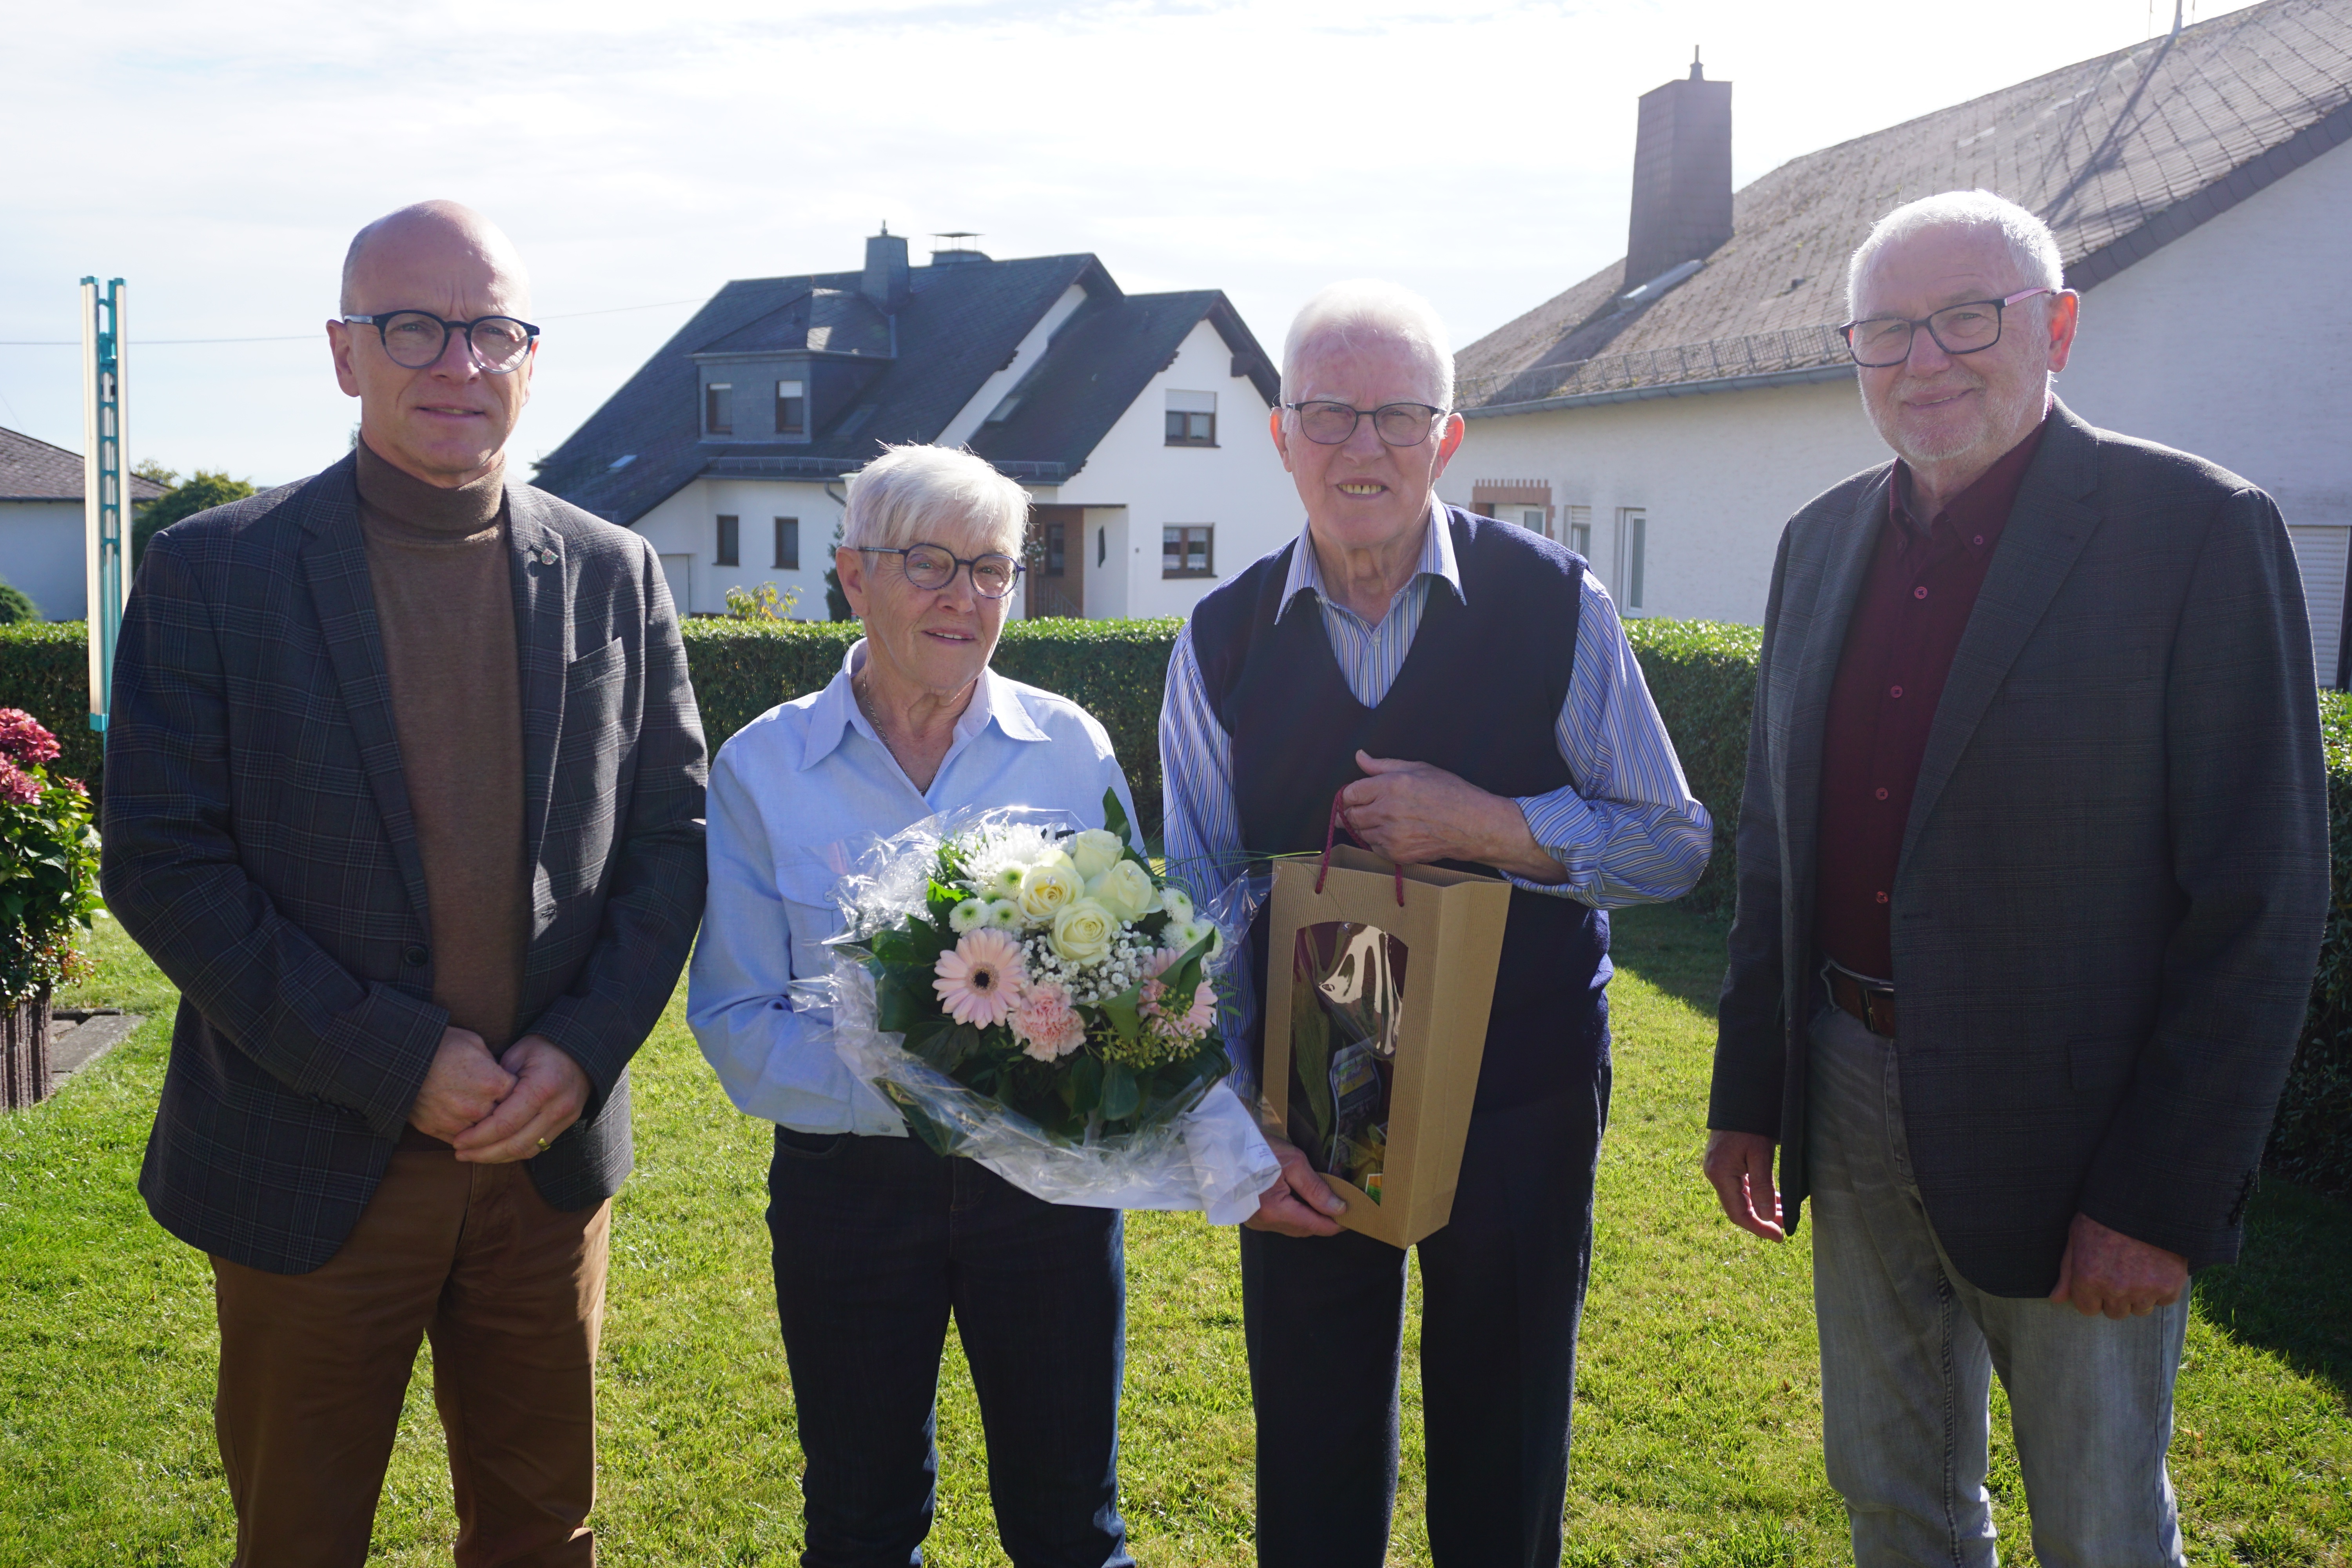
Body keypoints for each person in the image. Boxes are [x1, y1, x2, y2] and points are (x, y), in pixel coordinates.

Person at [1704, 190, 2328, 1568]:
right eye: (1885, 331)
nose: (1924, 361)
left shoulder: (2197, 532)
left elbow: (2262, 901)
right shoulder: (1818, 544)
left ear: (2057, 328)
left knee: (2101, 1523)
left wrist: (2160, 1198)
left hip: (2076, 1130)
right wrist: (1754, 1093)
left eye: (1966, 319)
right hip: (1849, 1088)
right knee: (1892, 1490)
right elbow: (1775, 842)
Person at [102, 200, 709, 1567]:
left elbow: (673, 841)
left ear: (531, 354)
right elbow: (164, 860)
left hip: (544, 1163)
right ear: (344, 353)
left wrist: (583, 1050)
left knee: (543, 1533)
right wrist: (395, 1061)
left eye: (492, 327)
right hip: (309, 1159)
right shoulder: (217, 572)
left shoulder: (616, 573)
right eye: (414, 327)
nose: (459, 362)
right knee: (301, 1531)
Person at [1161, 280, 1713, 1566]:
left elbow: (1674, 840)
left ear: (1449, 437)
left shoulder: (1555, 601)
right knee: (1310, 1450)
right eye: (1330, 416)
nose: (1365, 448)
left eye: (1400, 416)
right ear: (1281, 435)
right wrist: (1239, 1114)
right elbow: (1196, 893)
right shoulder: (1222, 636)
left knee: (1505, 1438)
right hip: (1307, 1106)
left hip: (1516, 1087)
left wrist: (1496, 829)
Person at [689, 444, 1145, 1568]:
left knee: (1070, 1525)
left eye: (992, 569)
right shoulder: (765, 769)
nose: (965, 597)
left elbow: (1137, 980)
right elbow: (738, 1020)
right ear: (852, 574)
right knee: (860, 1520)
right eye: (929, 564)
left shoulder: (1069, 748)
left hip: (1044, 1188)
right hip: (850, 1194)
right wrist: (943, 1079)